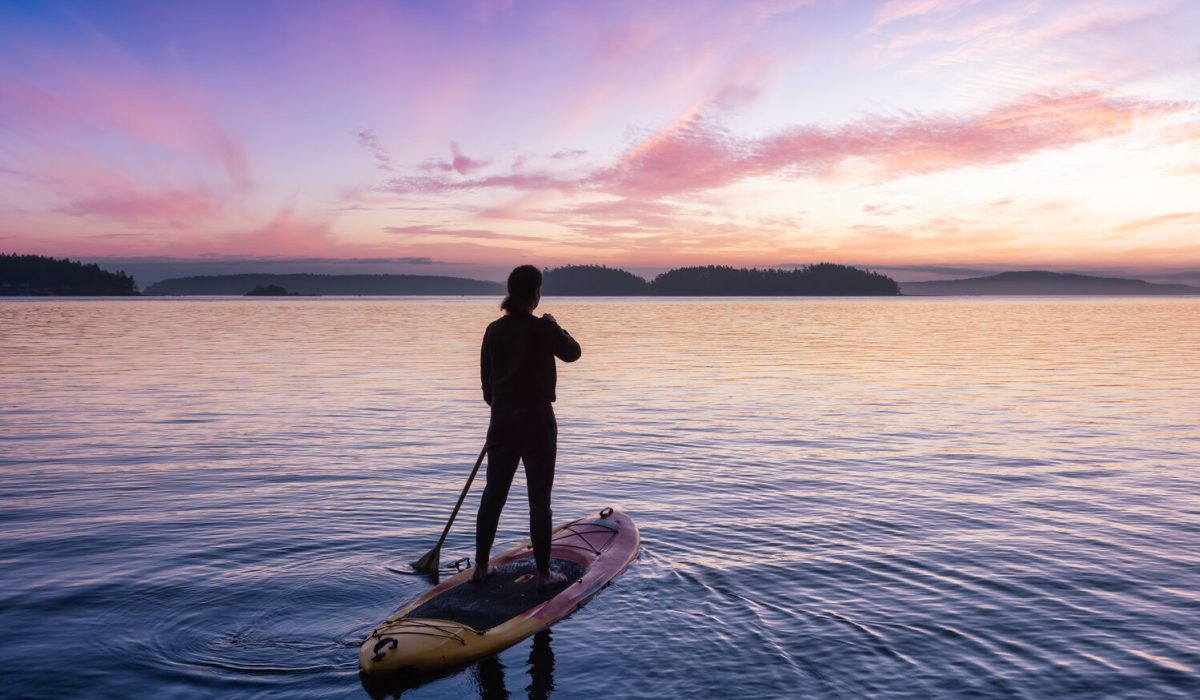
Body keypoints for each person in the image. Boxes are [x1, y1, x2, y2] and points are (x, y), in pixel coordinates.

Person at [474, 265, 581, 588]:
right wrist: (555, 326)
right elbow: (573, 353)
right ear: (536, 292)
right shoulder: (542, 329)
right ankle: (545, 574)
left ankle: (481, 567)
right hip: (536, 421)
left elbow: (486, 388)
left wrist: (504, 408)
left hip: (502, 419)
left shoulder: (494, 330)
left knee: (494, 494)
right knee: (539, 500)